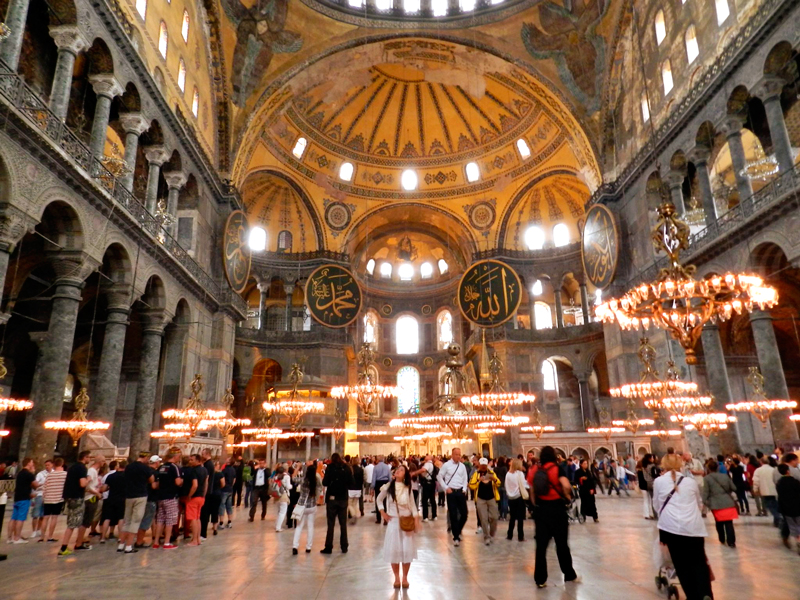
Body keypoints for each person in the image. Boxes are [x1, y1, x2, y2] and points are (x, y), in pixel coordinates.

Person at [654, 452, 713, 600]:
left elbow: (656, 505)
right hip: (694, 528)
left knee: (682, 566)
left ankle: (693, 596)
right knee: (699, 563)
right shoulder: (690, 482)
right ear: (681, 465)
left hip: (671, 528)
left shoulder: (659, 482)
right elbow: (699, 503)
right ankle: (705, 594)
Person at [531, 446, 577, 588]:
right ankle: (569, 574)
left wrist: (535, 505)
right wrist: (567, 496)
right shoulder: (557, 469)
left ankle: (540, 579)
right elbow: (566, 485)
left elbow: (531, 491)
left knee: (541, 547)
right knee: (561, 544)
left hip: (541, 511)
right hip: (557, 510)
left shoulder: (535, 470)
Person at [378, 464, 420, 589]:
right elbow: (379, 500)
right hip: (394, 522)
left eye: (402, 470)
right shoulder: (389, 486)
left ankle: (405, 577)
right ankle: (396, 577)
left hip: (406, 522)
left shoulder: (407, 487)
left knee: (407, 550)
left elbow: (412, 505)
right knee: (394, 550)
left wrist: (416, 519)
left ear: (405, 475)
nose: (398, 471)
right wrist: (383, 513)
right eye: (397, 469)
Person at [118, 451, 155, 554]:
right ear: (146, 457)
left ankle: (121, 544)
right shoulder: (145, 468)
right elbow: (152, 480)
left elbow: (125, 478)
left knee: (127, 520)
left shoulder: (129, 466)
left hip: (129, 495)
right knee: (136, 521)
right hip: (140, 496)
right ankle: (129, 546)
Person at [59, 450, 91, 556]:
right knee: (73, 523)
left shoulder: (72, 467)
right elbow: (82, 484)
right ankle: (64, 547)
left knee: (71, 522)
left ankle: (71, 545)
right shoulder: (82, 468)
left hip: (69, 497)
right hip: (77, 497)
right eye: (89, 457)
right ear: (85, 457)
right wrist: (88, 479)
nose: (89, 459)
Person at [321, 453, 354, 554]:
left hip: (332, 498)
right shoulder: (346, 468)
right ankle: (344, 546)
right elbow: (351, 483)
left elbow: (325, 483)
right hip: (343, 498)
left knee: (330, 524)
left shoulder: (330, 468)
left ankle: (328, 546)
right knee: (343, 524)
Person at [702, 459, 738, 548]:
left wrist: (706, 502)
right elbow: (734, 488)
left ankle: (722, 538)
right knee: (729, 522)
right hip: (728, 502)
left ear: (708, 468)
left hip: (715, 503)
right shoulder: (725, 476)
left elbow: (705, 492)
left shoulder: (707, 478)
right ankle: (731, 541)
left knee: (719, 522)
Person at [437, 447, 469, 547]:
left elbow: (465, 478)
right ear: (452, 455)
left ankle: (457, 530)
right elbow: (439, 476)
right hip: (451, 492)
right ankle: (456, 537)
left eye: (459, 454)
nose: (458, 456)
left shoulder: (462, 466)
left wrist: (464, 489)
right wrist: (446, 488)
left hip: (460, 492)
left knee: (464, 514)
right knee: (453, 514)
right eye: (456, 454)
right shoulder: (446, 465)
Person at [468, 457, 500, 545]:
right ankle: (486, 537)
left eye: (484, 465)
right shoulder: (476, 474)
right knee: (484, 518)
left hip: (491, 498)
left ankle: (492, 534)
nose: (483, 467)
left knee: (494, 517)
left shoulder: (492, 473)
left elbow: (499, 483)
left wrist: (494, 479)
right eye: (481, 465)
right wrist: (479, 481)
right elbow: (471, 486)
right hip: (481, 499)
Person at [154, 452, 182, 549]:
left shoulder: (161, 467)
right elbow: (177, 482)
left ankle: (156, 542)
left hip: (160, 496)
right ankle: (166, 543)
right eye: (178, 456)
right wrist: (183, 481)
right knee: (170, 520)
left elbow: (156, 483)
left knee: (160, 519)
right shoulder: (174, 467)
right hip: (171, 497)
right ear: (174, 457)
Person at [292, 461, 322, 554]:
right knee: (310, 526)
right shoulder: (316, 480)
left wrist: (297, 468)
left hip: (301, 504)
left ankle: (295, 546)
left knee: (299, 526)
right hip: (312, 505)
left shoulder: (304, 479)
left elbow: (293, 478)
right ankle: (308, 547)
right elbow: (320, 488)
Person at [9, 458, 37, 543]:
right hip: (24, 498)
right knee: (20, 519)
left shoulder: (20, 473)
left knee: (13, 518)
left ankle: (9, 538)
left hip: (17, 497)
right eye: (32, 462)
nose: (33, 464)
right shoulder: (29, 474)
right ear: (28, 463)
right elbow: (35, 485)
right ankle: (17, 538)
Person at [135, 455, 160, 548]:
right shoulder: (155, 473)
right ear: (156, 462)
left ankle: (136, 539)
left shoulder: (145, 470)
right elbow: (153, 486)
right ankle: (139, 541)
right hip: (151, 499)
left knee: (140, 519)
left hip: (142, 497)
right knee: (146, 521)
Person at [99, 460, 126, 544]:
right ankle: (120, 538)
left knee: (107, 518)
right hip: (122, 499)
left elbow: (103, 488)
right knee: (121, 519)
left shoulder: (110, 476)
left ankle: (103, 538)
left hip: (110, 498)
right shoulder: (126, 476)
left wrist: (108, 489)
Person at [41, 458, 67, 543]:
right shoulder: (65, 475)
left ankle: (42, 537)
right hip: (58, 498)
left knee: (45, 518)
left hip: (48, 498)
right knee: (54, 518)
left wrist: (44, 498)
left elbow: (44, 487)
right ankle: (50, 536)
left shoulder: (49, 475)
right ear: (62, 464)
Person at [776, 463, 800, 553]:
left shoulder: (779, 483)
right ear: (788, 471)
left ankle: (797, 540)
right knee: (798, 524)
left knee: (792, 526)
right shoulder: (795, 482)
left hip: (786, 508)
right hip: (797, 506)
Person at [185, 454, 208, 546]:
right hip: (201, 497)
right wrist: (204, 495)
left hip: (194, 497)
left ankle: (194, 540)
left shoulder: (193, 471)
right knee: (198, 518)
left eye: (192, 460)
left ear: (198, 460)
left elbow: (195, 485)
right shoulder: (204, 470)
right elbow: (206, 484)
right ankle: (198, 538)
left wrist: (189, 495)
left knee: (193, 519)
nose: (190, 461)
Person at [504, 458, 527, 541]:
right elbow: (524, 485)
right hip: (519, 497)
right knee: (520, 518)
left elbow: (506, 485)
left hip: (511, 498)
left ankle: (509, 535)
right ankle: (520, 536)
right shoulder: (520, 474)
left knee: (512, 517)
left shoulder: (508, 474)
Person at [752, 456, 779, 526]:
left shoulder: (758, 470)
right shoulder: (773, 469)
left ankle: (778, 518)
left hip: (764, 491)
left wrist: (755, 490)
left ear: (761, 462)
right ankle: (776, 520)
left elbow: (756, 481)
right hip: (774, 490)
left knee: (770, 506)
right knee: (774, 505)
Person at [30, 459, 52, 540]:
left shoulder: (54, 473)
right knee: (36, 513)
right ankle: (34, 531)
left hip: (48, 495)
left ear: (52, 465)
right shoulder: (40, 474)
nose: (47, 466)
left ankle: (39, 529)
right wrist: (43, 484)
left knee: (43, 514)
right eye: (46, 465)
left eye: (48, 465)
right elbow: (35, 485)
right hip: (39, 494)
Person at [199, 448, 215, 540]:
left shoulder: (208, 465)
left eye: (203, 453)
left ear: (207, 454)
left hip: (206, 491)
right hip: (208, 491)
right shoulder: (209, 464)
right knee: (204, 513)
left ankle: (203, 533)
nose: (202, 455)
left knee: (204, 513)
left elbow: (206, 479)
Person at [417, 454, 437, 522]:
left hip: (427, 484)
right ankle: (434, 515)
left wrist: (415, 473)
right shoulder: (432, 464)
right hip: (432, 483)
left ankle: (425, 517)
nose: (426, 456)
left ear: (429, 458)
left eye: (427, 456)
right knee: (432, 500)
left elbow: (423, 470)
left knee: (424, 500)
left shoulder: (427, 464)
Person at [372, 455, 391, 524]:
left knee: (378, 500)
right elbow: (390, 477)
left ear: (377, 460)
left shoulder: (376, 467)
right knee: (385, 501)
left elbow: (373, 479)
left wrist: (372, 488)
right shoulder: (387, 467)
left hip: (378, 484)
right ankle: (385, 519)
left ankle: (378, 518)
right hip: (385, 483)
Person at [273, 465, 291, 532]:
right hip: (283, 495)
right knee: (283, 512)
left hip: (277, 495)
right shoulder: (287, 476)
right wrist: (291, 486)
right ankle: (278, 527)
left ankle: (276, 525)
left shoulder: (276, 477)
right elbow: (288, 486)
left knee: (279, 511)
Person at [219, 459, 236, 529]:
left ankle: (221, 522)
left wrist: (221, 487)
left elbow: (222, 480)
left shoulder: (224, 470)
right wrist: (231, 485)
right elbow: (234, 479)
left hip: (224, 490)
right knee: (229, 506)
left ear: (228, 462)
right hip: (230, 489)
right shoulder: (233, 470)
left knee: (222, 506)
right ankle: (229, 522)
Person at [640, 453, 656, 519]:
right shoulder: (652, 466)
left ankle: (652, 513)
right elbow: (654, 474)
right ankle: (656, 514)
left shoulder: (644, 466)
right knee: (654, 499)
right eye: (651, 458)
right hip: (653, 482)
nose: (653, 459)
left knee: (650, 499)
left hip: (647, 483)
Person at [348, 456, 363, 525]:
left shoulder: (350, 469)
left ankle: (354, 514)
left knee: (349, 504)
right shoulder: (361, 469)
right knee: (355, 503)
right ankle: (357, 514)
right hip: (358, 489)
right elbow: (362, 480)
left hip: (351, 488)